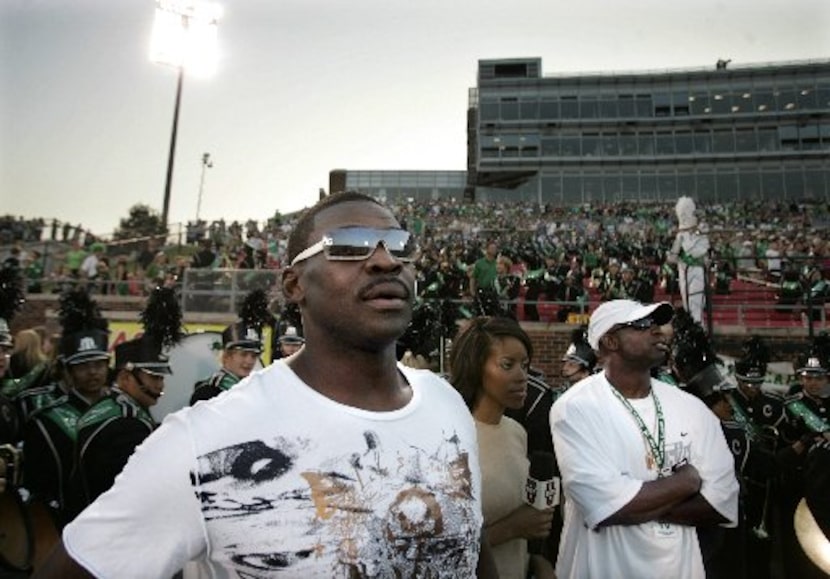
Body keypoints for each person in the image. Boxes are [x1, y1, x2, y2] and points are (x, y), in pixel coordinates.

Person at [36, 191, 496, 578]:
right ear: (294, 285)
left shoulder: (445, 402)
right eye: (349, 246)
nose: (383, 260)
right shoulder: (205, 441)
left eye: (399, 245)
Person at [551, 299, 739, 579]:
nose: (658, 331)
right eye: (642, 325)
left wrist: (636, 500)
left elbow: (720, 502)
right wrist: (686, 482)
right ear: (611, 341)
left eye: (657, 324)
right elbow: (604, 506)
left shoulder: (693, 409)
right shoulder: (576, 407)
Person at [450, 316, 554, 579]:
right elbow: (444, 544)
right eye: (508, 365)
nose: (522, 377)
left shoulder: (516, 432)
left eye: (525, 365)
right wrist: (513, 527)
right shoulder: (452, 439)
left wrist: (537, 562)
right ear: (475, 368)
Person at [190, 321, 263, 404]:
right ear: (226, 356)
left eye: (254, 356)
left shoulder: (255, 389)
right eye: (243, 354)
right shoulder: (208, 392)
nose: (249, 361)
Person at [668, 197, 710, 324]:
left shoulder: (702, 234)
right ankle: (692, 328)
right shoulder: (680, 236)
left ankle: (699, 328)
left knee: (695, 301)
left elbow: (699, 252)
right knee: (686, 303)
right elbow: (672, 258)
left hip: (697, 270)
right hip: (683, 271)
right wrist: (677, 250)